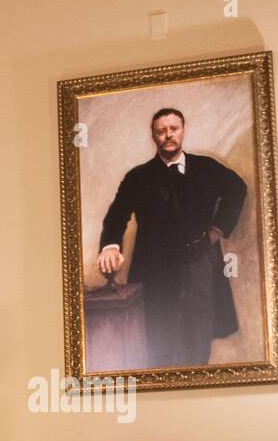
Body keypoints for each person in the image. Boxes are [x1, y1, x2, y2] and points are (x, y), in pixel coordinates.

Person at [97, 107, 247, 368]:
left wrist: (216, 230)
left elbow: (237, 188)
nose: (168, 135)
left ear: (183, 130)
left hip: (199, 263)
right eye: (161, 131)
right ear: (154, 136)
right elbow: (116, 216)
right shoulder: (137, 177)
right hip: (155, 268)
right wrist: (110, 246)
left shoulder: (206, 168)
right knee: (159, 336)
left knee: (198, 335)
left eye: (173, 129)